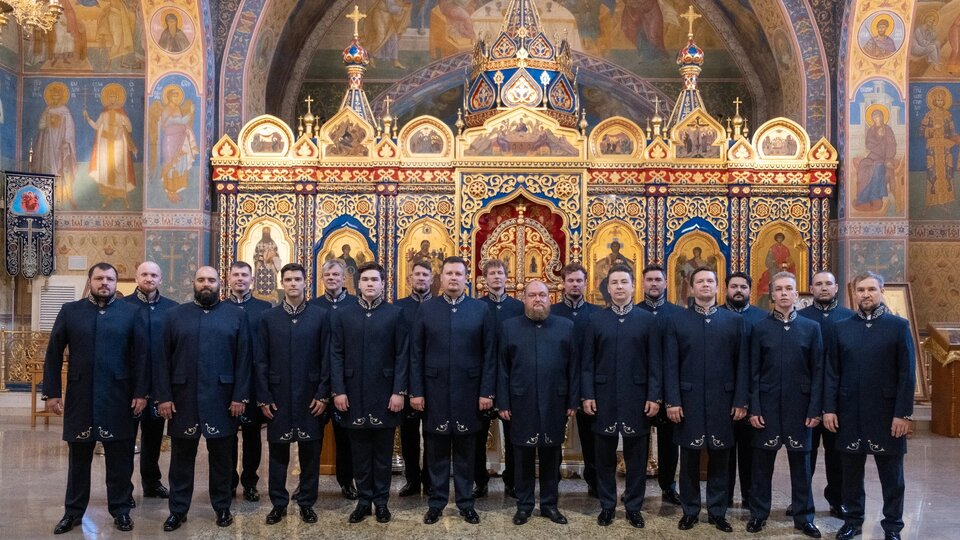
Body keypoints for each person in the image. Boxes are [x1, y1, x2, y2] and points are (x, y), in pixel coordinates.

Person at [43, 262, 147, 534]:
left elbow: (141, 356)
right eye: (99, 278)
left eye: (110, 279)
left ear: (116, 283)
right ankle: (73, 512)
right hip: (81, 396)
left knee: (119, 460)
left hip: (119, 397)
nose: (105, 283)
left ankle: (121, 510)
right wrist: (52, 392)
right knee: (79, 459)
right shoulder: (71, 311)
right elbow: (54, 352)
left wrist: (141, 392)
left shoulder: (131, 313)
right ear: (90, 281)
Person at [154, 266, 251, 530]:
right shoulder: (175, 315)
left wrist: (240, 396)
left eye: (211, 280)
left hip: (223, 399)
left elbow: (244, 359)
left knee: (222, 460)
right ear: (193, 283)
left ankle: (222, 508)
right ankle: (177, 510)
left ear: (220, 283)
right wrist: (163, 397)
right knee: (181, 461)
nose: (206, 284)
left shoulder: (236, 316)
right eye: (201, 280)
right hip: (182, 399)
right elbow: (161, 360)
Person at [824, 272, 915, 540]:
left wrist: (902, 414)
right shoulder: (841, 327)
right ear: (854, 293)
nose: (866, 294)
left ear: (881, 291)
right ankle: (852, 521)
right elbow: (832, 372)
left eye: (871, 289)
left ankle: (893, 526)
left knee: (892, 476)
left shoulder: (898, 326)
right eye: (861, 290)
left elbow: (907, 374)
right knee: (850, 475)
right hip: (849, 413)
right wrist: (829, 408)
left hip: (887, 415)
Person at [410, 256, 497, 525]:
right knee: (435, 451)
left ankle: (466, 503)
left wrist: (486, 392)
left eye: (459, 274)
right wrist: (416, 392)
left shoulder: (480, 309)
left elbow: (489, 354)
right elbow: (416, 353)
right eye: (449, 273)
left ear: (466, 278)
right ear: (442, 277)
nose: (454, 278)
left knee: (465, 453)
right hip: (433, 392)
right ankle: (436, 503)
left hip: (469, 393)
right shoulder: (427, 309)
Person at [665, 267, 749, 533]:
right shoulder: (677, 320)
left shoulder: (734, 321)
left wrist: (740, 401)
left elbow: (742, 365)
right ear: (692, 288)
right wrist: (672, 401)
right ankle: (690, 511)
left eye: (710, 281)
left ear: (717, 287)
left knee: (721, 458)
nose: (705, 285)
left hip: (723, 401)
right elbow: (670, 364)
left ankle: (717, 511)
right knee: (689, 459)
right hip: (687, 401)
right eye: (700, 281)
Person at [581, 264, 661, 528]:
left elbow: (655, 363)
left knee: (636, 457)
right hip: (603, 397)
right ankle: (607, 505)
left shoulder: (647, 320)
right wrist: (587, 394)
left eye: (623, 282)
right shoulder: (596, 320)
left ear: (632, 286)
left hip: (637, 397)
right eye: (614, 282)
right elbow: (587, 363)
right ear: (608, 287)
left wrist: (654, 396)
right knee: (603, 456)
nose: (618, 287)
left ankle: (634, 507)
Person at [745, 272, 824, 538]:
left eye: (788, 288)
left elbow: (818, 371)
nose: (783, 293)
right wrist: (754, 408)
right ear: (772, 294)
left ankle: (804, 517)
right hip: (766, 408)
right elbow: (753, 372)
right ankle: (759, 514)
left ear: (796, 293)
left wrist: (815, 408)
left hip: (800, 409)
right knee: (762, 466)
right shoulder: (760, 328)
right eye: (778, 289)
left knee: (802, 466)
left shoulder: (811, 328)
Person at [331, 262, 408, 523]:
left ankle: (382, 502)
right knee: (360, 454)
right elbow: (336, 354)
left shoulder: (395, 314)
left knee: (382, 456)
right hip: (352, 394)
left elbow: (402, 355)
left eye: (375, 279)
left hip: (386, 395)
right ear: (358, 284)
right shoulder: (344, 315)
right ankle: (364, 502)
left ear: (383, 283)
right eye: (365, 280)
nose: (370, 284)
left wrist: (399, 391)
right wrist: (338, 390)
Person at [498, 280, 577, 526]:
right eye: (532, 295)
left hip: (555, 401)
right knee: (522, 455)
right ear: (524, 299)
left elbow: (573, 368)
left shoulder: (566, 326)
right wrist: (503, 402)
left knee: (551, 455)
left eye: (542, 295)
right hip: (520, 402)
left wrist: (572, 399)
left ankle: (549, 505)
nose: (538, 299)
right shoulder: (509, 327)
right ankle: (524, 506)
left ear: (549, 298)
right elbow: (502, 369)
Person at [256, 263, 329, 525]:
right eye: (288, 279)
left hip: (310, 395)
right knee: (278, 453)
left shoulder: (320, 316)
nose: (293, 283)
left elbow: (327, 357)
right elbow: (260, 360)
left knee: (310, 452)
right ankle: (278, 503)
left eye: (297, 279)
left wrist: (323, 394)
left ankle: (307, 502)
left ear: (305, 282)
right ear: (282, 283)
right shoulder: (268, 317)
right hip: (278, 396)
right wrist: (264, 396)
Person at [798, 271, 854, 519]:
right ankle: (801, 500)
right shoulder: (801, 318)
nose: (823, 288)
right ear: (811, 288)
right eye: (818, 284)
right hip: (806, 398)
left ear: (836, 287)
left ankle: (837, 500)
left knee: (837, 454)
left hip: (838, 399)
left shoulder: (850, 318)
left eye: (828, 284)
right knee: (804, 453)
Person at [121, 261, 179, 501]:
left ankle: (152, 483)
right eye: (144, 274)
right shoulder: (123, 307)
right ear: (137, 277)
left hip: (159, 386)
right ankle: (124, 490)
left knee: (153, 439)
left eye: (154, 275)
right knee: (125, 440)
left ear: (160, 279)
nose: (149, 278)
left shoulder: (172, 309)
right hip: (130, 387)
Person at [550, 262, 601, 497]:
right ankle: (552, 483)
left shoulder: (597, 314)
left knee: (592, 438)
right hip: (559, 384)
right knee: (554, 436)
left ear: (585, 283)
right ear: (563, 283)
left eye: (579, 280)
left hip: (589, 385)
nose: (575, 284)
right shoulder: (552, 312)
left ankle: (595, 482)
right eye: (570, 280)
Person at [636, 263, 684, 506]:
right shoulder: (634, 312)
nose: (654, 284)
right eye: (650, 280)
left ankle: (668, 486)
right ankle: (636, 488)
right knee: (638, 442)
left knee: (669, 444)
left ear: (666, 283)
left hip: (670, 389)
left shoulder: (677, 314)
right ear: (642, 283)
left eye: (658, 280)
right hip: (640, 389)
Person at [475, 259, 523, 499]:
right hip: (481, 379)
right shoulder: (476, 307)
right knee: (477, 436)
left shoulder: (518, 307)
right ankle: (479, 481)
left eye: (500, 272)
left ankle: (512, 481)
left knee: (514, 436)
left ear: (506, 277)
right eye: (491, 273)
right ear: (485, 279)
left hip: (511, 379)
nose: (496, 276)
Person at [310, 258, 357, 499]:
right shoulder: (312, 306)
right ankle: (307, 483)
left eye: (336, 274)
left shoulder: (355, 305)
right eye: (327, 275)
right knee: (312, 438)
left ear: (344, 277)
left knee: (345, 437)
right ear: (322, 278)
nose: (331, 278)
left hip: (344, 382)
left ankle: (346, 481)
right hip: (317, 382)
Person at [226, 261, 272, 503]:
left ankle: (250, 482)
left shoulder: (264, 309)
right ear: (229, 279)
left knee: (253, 437)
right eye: (236, 275)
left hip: (254, 383)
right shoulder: (221, 308)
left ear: (252, 280)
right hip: (227, 383)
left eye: (244, 275)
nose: (240, 279)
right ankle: (229, 482)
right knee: (228, 436)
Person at [721, 271, 767, 507]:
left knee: (751, 452)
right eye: (734, 286)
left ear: (750, 290)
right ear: (726, 289)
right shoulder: (716, 316)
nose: (738, 290)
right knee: (725, 451)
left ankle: (750, 497)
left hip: (754, 395)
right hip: (724, 395)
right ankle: (725, 497)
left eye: (743, 286)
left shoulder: (763, 318)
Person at [396, 261, 434, 497]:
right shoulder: (399, 308)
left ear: (432, 279)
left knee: (432, 434)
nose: (421, 278)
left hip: (433, 380)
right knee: (408, 434)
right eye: (417, 274)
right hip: (406, 379)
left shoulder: (439, 306)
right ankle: (412, 479)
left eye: (425, 275)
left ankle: (430, 480)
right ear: (410, 279)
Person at [83, 84, 138, 209]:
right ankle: (108, 196)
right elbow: (97, 126)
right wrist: (88, 118)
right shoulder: (104, 112)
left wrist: (122, 126)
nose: (112, 99)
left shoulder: (121, 113)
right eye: (110, 96)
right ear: (108, 98)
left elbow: (129, 128)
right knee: (107, 169)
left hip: (118, 143)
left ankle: (123, 196)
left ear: (117, 98)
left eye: (114, 96)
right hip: (105, 143)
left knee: (119, 168)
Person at [33, 82, 78, 209]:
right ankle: (48, 197)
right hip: (48, 144)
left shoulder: (65, 111)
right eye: (53, 95)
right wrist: (45, 118)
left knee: (63, 169)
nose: (55, 97)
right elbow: (41, 125)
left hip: (60, 145)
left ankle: (65, 196)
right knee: (49, 168)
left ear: (61, 96)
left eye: (58, 95)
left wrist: (66, 141)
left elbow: (70, 128)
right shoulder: (47, 110)